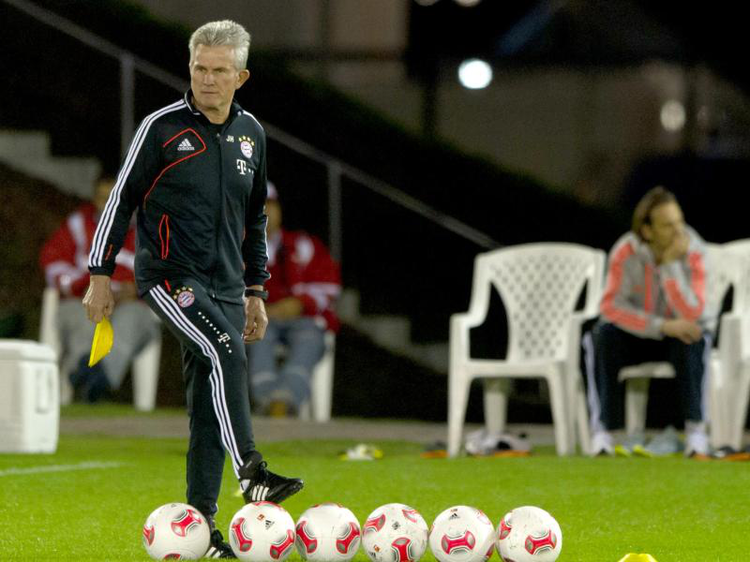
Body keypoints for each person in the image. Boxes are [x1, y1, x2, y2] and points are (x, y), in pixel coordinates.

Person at [82, 20, 303, 557]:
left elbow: (254, 222)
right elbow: (121, 200)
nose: (207, 80)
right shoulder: (160, 128)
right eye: (200, 68)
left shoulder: (253, 135)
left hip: (228, 287)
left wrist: (256, 290)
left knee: (208, 407)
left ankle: (203, 529)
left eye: (219, 71)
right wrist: (100, 273)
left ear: (241, 76)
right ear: (191, 67)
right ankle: (252, 472)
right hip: (168, 279)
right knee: (224, 348)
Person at [585, 186, 715, 458]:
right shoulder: (625, 251)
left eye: (680, 222)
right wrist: (661, 325)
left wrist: (668, 267)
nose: (679, 232)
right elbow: (610, 306)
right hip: (641, 334)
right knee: (599, 336)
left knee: (696, 338)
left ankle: (696, 434)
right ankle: (604, 434)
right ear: (647, 230)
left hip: (679, 338)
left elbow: (694, 312)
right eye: (668, 225)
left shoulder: (695, 250)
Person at [39, 174, 160, 402]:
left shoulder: (149, 230)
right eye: (103, 198)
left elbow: (169, 273)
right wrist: (85, 286)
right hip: (82, 300)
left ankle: (93, 375)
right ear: (94, 199)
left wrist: (137, 288)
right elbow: (53, 265)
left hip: (131, 306)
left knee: (130, 319)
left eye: (115, 198)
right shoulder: (77, 225)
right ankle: (93, 378)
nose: (108, 205)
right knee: (82, 317)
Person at [248, 182, 341, 416]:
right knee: (257, 335)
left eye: (270, 205)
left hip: (302, 319)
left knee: (309, 337)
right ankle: (268, 400)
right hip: (258, 320)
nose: (266, 212)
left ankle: (284, 402)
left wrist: (300, 303)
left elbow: (329, 287)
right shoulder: (234, 247)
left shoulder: (303, 245)